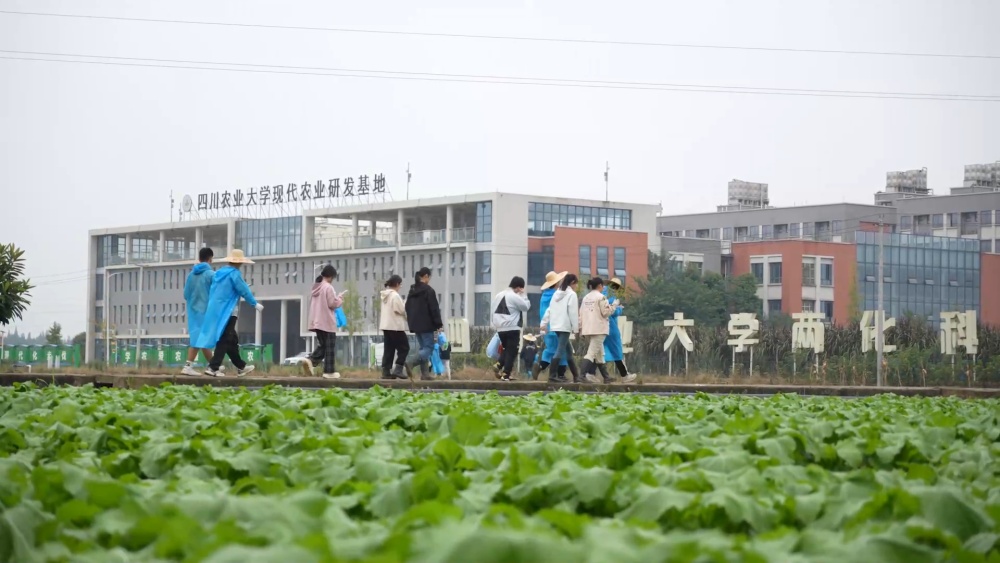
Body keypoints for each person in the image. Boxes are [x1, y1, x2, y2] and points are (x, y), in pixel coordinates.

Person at [192, 249, 263, 377]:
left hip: (215, 309)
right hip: (228, 312)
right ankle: (213, 367)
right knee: (225, 338)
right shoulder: (234, 274)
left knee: (232, 340)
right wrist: (254, 303)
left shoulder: (219, 273)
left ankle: (241, 366)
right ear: (240, 262)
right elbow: (243, 289)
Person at [304, 265, 345, 379]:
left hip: (317, 322)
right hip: (327, 322)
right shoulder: (328, 287)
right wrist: (340, 299)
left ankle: (311, 361)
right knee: (330, 347)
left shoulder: (316, 287)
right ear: (331, 276)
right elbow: (332, 304)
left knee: (323, 345)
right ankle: (329, 371)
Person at [181, 247, 215, 376]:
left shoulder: (191, 275)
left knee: (201, 338)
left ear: (199, 258)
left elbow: (185, 294)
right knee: (199, 339)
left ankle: (214, 365)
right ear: (210, 259)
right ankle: (188, 366)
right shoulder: (210, 274)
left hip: (193, 312)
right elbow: (217, 293)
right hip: (206, 311)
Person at [540, 273, 580, 382]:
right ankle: (552, 376)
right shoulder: (572, 294)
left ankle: (576, 376)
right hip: (565, 326)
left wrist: (544, 323)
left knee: (568, 351)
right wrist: (576, 328)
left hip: (555, 325)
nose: (576, 286)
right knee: (560, 350)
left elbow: (549, 309)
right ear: (572, 283)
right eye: (576, 284)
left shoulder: (556, 293)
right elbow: (573, 313)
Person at [404, 267, 442, 380]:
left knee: (423, 348)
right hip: (427, 325)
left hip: (415, 325)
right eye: (429, 278)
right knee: (429, 347)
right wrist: (438, 324)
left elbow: (407, 307)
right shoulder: (429, 291)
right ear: (426, 276)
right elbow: (434, 308)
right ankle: (411, 362)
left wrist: (411, 321)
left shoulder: (412, 291)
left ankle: (425, 374)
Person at [490, 276, 531, 381]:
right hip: (512, 327)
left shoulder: (499, 295)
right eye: (521, 288)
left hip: (500, 328)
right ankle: (506, 374)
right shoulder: (514, 296)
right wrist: (523, 296)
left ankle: (499, 364)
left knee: (507, 349)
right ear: (518, 287)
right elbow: (526, 307)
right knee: (512, 351)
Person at [534, 271, 571, 382]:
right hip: (556, 327)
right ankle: (558, 373)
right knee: (561, 351)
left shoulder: (544, 296)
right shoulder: (556, 296)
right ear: (556, 283)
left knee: (551, 349)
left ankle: (541, 367)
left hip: (546, 327)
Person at [579, 277, 616, 384]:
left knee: (599, 354)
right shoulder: (601, 297)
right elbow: (606, 313)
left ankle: (606, 377)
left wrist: (580, 328)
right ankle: (581, 375)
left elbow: (581, 314)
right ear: (600, 285)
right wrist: (614, 306)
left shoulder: (586, 298)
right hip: (599, 329)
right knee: (591, 354)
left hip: (587, 329)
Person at [604, 277, 637, 383]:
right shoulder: (612, 297)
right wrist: (619, 308)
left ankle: (589, 373)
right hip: (611, 327)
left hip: (600, 326)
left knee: (598, 350)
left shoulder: (602, 294)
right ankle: (624, 375)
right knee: (617, 350)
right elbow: (613, 312)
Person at [379, 274, 409, 379]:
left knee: (389, 348)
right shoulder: (395, 296)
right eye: (400, 284)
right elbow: (401, 310)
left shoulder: (385, 295)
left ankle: (386, 371)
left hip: (386, 325)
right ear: (397, 284)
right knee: (404, 347)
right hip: (395, 326)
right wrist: (405, 304)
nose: (400, 287)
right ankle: (398, 369)